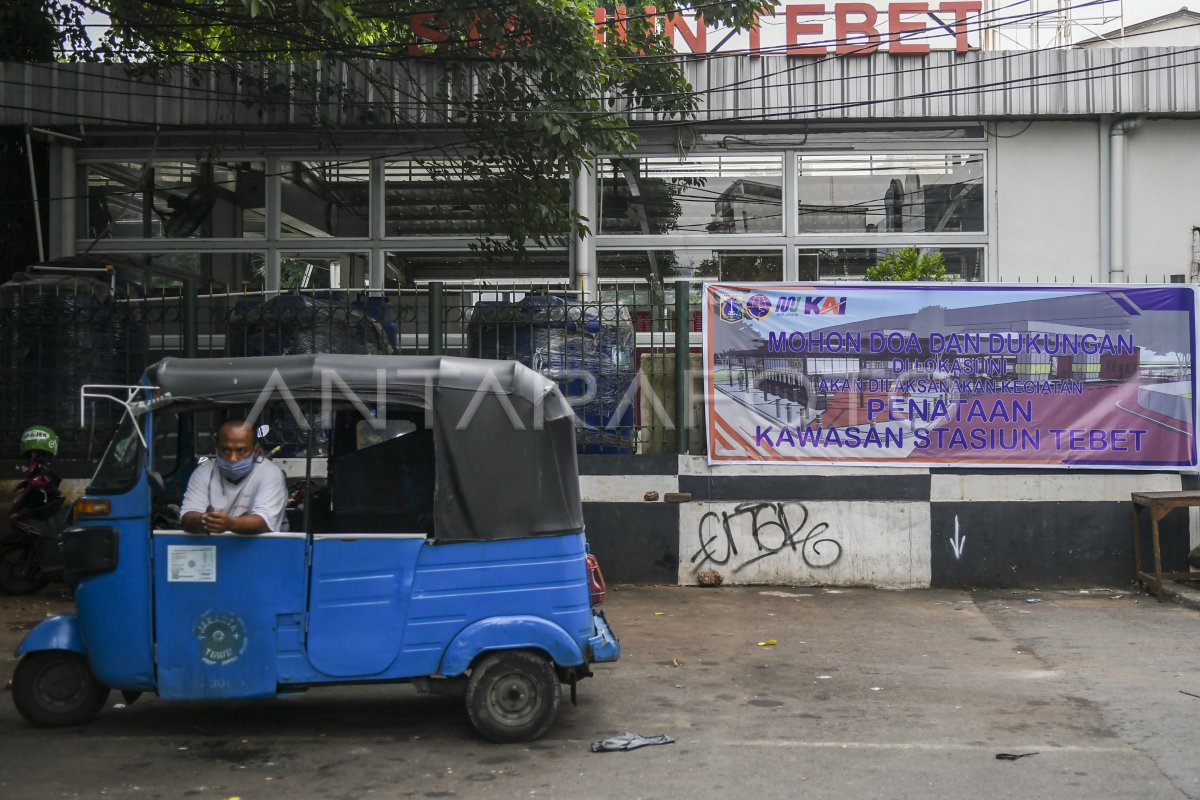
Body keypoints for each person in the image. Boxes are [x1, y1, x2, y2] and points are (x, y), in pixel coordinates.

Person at [180, 418, 288, 534]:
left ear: (256, 451)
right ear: (217, 448)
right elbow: (188, 516)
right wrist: (204, 520)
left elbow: (264, 522)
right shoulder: (203, 473)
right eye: (226, 450)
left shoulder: (270, 473)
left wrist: (230, 524)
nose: (233, 458)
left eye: (241, 450)